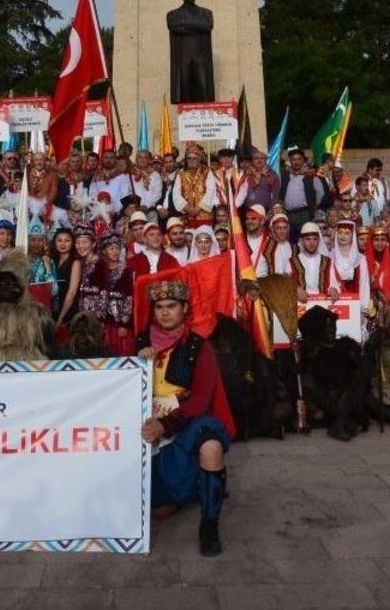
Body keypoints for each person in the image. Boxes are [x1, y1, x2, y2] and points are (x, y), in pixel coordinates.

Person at [137, 279, 233, 556]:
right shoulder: (140, 343)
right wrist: (139, 363)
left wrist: (164, 425)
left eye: (171, 306)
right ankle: (196, 486)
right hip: (147, 430)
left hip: (184, 426)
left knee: (211, 442)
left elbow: (201, 399)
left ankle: (209, 525)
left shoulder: (198, 347)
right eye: (159, 307)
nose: (165, 312)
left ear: (184, 308)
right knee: (159, 511)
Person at [80, 233, 135, 357]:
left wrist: (124, 324)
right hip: (103, 320)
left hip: (119, 318)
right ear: (104, 251)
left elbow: (129, 298)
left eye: (117, 248)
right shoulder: (99, 268)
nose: (115, 252)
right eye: (111, 249)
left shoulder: (126, 271)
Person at [280, 149, 330, 233]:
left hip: (304, 214)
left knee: (305, 236)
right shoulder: (285, 176)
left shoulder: (311, 176)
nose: (296, 162)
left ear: (303, 161)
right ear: (290, 161)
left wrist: (312, 205)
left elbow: (320, 194)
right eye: (294, 159)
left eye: (299, 159)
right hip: (288, 214)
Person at [51, 227, 83, 330]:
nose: (63, 244)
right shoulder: (53, 260)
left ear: (72, 243)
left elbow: (72, 292)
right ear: (54, 243)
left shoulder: (75, 262)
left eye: (67, 240)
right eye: (59, 240)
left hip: (68, 309)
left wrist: (61, 317)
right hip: (53, 307)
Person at [291, 222, 333, 300]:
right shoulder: (291, 262)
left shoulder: (327, 261)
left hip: (323, 303)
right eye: (308, 239)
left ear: (319, 241)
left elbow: (333, 282)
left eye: (315, 239)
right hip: (300, 305)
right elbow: (286, 284)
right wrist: (295, 289)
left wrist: (333, 289)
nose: (311, 243)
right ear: (302, 241)